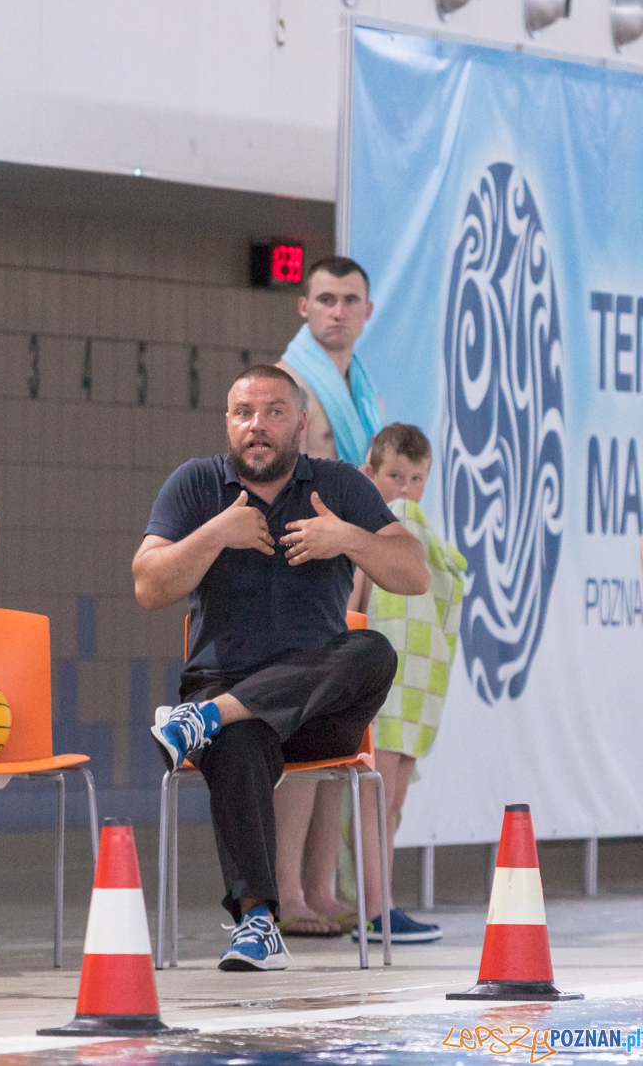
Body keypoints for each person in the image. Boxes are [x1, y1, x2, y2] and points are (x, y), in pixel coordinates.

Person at [131, 364, 426, 971]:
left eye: (272, 412)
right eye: (244, 413)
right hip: (224, 683)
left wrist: (347, 537)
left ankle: (204, 719)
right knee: (237, 738)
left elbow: (413, 573)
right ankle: (258, 922)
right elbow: (147, 586)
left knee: (370, 650)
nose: (257, 426)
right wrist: (214, 533)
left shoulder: (339, 485)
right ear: (228, 423)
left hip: (318, 705)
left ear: (300, 421)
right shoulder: (196, 485)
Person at [273, 255, 387, 938]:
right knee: (299, 744)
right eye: (326, 297)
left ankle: (319, 884)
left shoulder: (362, 389)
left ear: (367, 312)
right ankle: (286, 887)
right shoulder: (289, 382)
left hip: (349, 571)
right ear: (303, 307)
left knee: (336, 737)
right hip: (300, 575)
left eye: (350, 299)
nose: (338, 310)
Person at [343, 424, 464, 944]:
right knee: (374, 796)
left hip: (417, 687)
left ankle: (381, 900)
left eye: (417, 479)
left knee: (392, 802)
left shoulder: (420, 538)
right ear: (372, 476)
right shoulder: (368, 535)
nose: (406, 491)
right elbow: (353, 604)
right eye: (395, 476)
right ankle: (374, 908)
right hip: (380, 684)